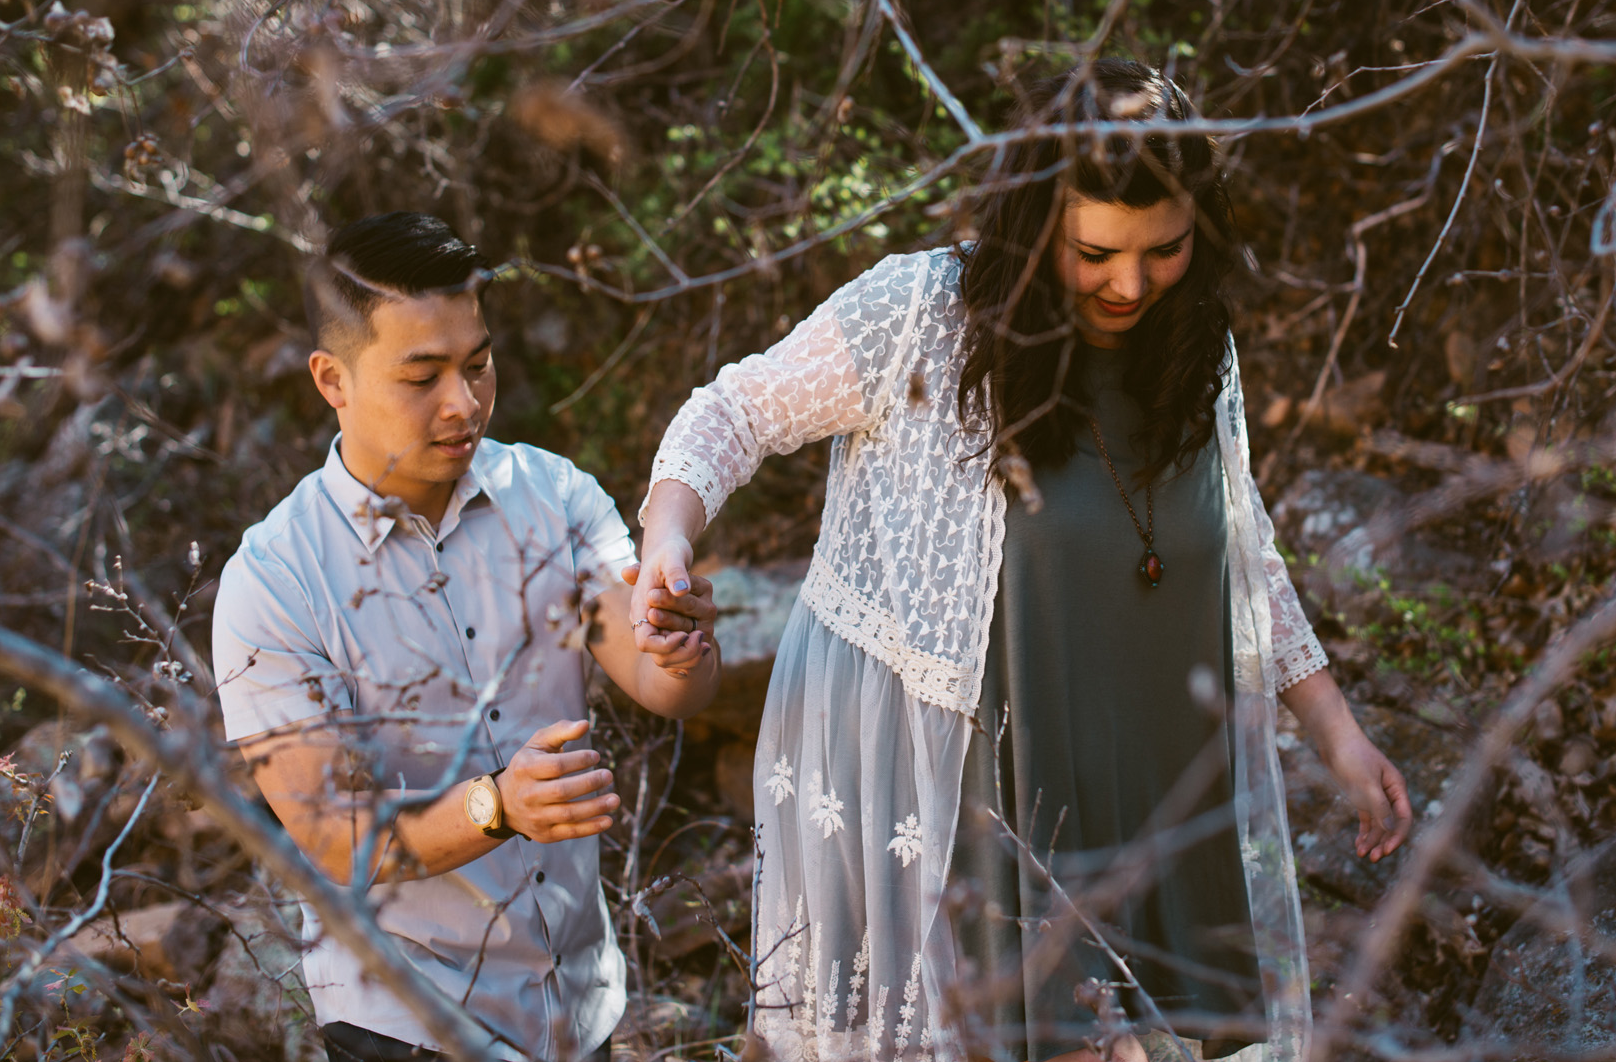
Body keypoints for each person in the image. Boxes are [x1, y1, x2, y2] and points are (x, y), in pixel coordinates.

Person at [632, 62, 1412, 1062]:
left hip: (1158, 768)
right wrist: (668, 534)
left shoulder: (1194, 344)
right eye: (1095, 253)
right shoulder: (923, 314)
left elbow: (1237, 541)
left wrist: (1336, 733)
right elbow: (733, 413)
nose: (1130, 284)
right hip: (988, 770)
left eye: (1164, 249)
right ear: (1035, 225)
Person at [212, 212, 721, 1062]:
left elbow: (663, 683)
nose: (463, 403)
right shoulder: (273, 580)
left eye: (477, 365)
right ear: (333, 379)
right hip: (404, 1021)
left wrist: (677, 645)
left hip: (578, 1004)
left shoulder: (553, 495)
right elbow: (335, 840)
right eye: (423, 377)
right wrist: (498, 806)